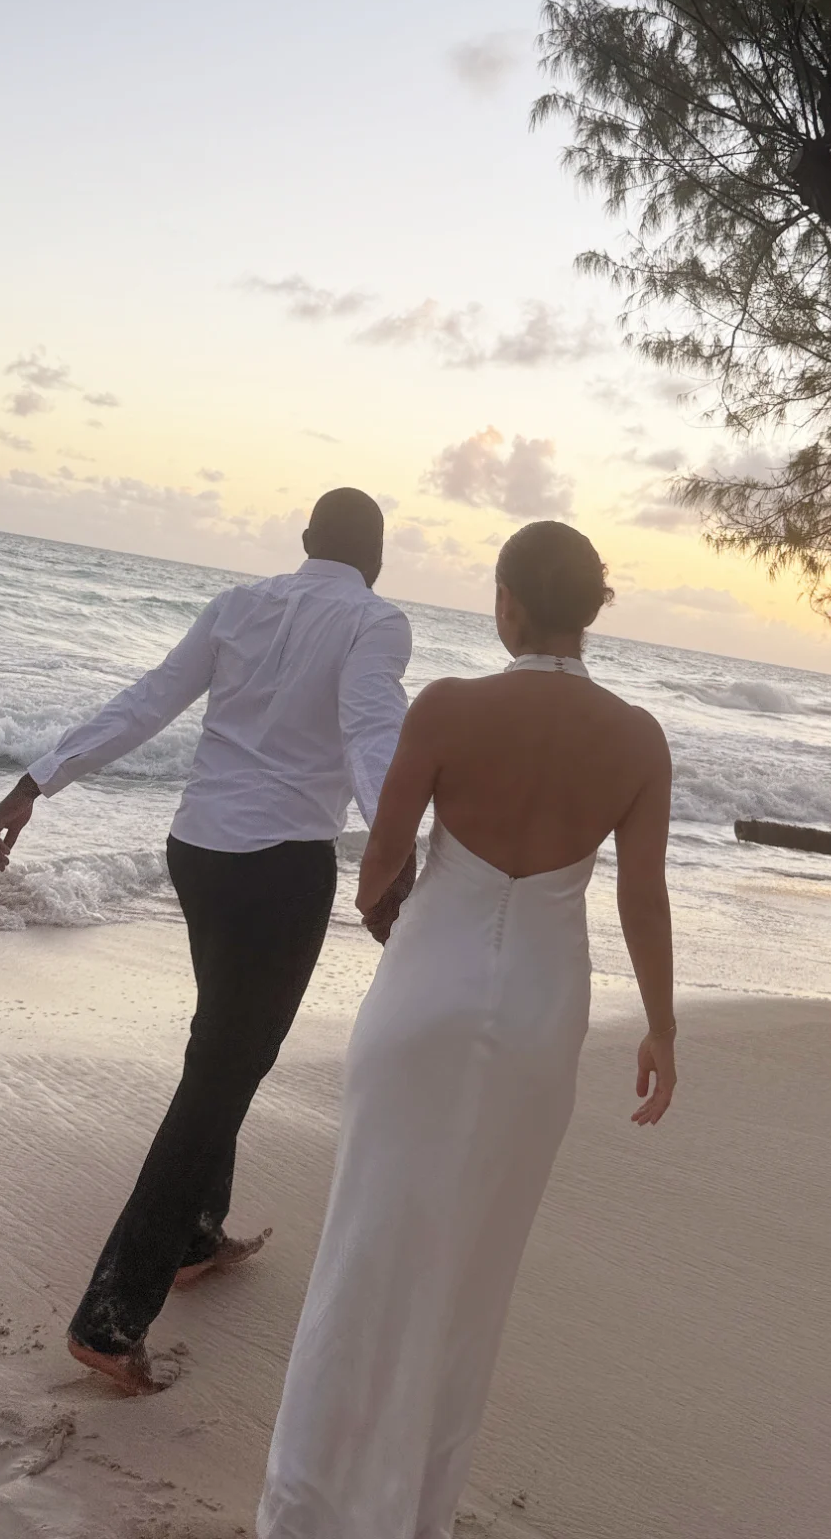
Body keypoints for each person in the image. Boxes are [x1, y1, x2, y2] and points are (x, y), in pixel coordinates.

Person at [257, 519, 675, 1539]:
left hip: (421, 1001)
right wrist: (662, 1026)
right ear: (590, 609)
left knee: (363, 1252)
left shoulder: (447, 707)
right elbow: (644, 898)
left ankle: (307, 1510)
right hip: (541, 1013)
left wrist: (393, 909)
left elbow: (381, 868)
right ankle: (411, 1514)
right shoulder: (637, 738)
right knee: (471, 1274)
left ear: (507, 604)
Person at [0, 487, 416, 1395]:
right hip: (282, 869)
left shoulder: (238, 604)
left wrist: (38, 779)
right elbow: (373, 734)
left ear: (304, 542)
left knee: (220, 1048)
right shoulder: (375, 622)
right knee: (221, 1077)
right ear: (376, 557)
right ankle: (110, 1319)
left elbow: (148, 702)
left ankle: (193, 1239)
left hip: (199, 854)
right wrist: (393, 860)